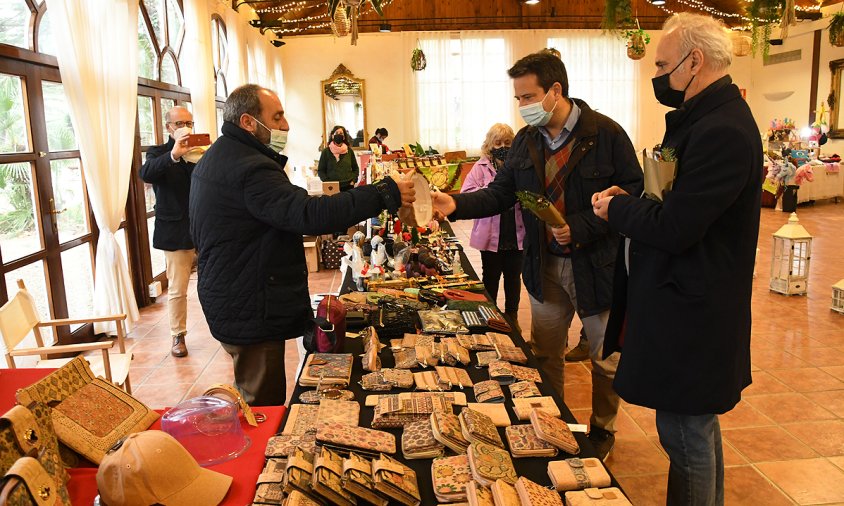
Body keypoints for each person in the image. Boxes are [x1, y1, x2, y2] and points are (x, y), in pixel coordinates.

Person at [431, 51, 643, 459]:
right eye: (518, 99)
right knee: (546, 353)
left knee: (605, 358)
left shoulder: (608, 134)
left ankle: (602, 430)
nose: (523, 107)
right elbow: (499, 193)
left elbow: (632, 197)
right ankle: (555, 425)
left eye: (528, 97)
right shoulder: (527, 142)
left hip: (598, 267)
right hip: (544, 267)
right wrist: (454, 204)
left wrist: (578, 227)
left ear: (555, 91)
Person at [593, 13, 761, 504]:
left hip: (694, 306)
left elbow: (677, 227)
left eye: (664, 64)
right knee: (695, 430)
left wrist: (618, 208)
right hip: (683, 297)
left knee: (686, 435)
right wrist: (635, 197)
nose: (659, 76)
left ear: (695, 61)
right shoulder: (703, 118)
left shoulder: (721, 130)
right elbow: (674, 199)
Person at [190, 84, 414, 406]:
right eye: (277, 117)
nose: (285, 126)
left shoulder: (225, 155)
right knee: (261, 405)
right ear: (248, 122)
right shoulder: (249, 168)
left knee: (258, 393)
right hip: (249, 302)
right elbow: (308, 214)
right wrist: (382, 193)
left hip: (236, 292)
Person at [139, 105, 196, 358]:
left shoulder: (201, 151)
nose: (186, 128)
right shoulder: (158, 153)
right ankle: (178, 335)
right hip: (175, 229)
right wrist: (174, 154)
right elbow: (146, 174)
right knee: (177, 288)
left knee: (219, 281)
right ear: (169, 127)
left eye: (189, 123)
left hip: (205, 226)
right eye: (180, 123)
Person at [460, 123, 525, 329]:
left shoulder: (519, 166)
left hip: (515, 232)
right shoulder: (480, 167)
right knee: (491, 276)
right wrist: (493, 190)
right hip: (490, 232)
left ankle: (512, 315)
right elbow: (467, 193)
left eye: (507, 142)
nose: (502, 146)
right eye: (498, 143)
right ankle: (489, 313)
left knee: (514, 277)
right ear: (489, 145)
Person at [318, 125, 359, 191]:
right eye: (336, 133)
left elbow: (355, 168)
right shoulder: (326, 152)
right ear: (332, 136)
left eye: (341, 134)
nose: (339, 135)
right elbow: (321, 170)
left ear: (344, 137)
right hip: (331, 187)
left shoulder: (349, 151)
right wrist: (327, 182)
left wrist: (353, 180)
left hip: (348, 187)